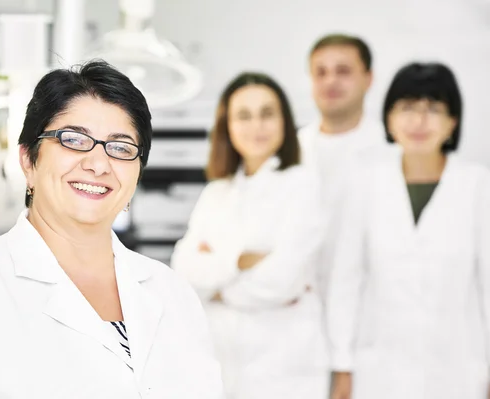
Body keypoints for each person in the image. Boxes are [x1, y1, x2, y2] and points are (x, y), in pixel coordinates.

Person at [0, 60, 225, 399]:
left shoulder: (171, 292)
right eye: (74, 140)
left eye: (121, 147)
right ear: (27, 160)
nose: (97, 164)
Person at [327, 62, 490, 399]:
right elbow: (346, 279)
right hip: (379, 368)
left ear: (453, 122)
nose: (419, 121)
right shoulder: (365, 181)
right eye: (407, 108)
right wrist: (342, 364)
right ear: (388, 119)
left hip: (459, 366)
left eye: (433, 108)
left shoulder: (478, 185)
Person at [170, 72, 330, 399]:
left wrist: (216, 285)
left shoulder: (304, 185)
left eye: (267, 114)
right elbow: (183, 271)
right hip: (221, 362)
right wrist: (241, 261)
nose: (257, 126)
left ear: (284, 121)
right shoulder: (217, 192)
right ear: (227, 125)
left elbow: (279, 283)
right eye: (244, 116)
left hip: (285, 365)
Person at [298, 33, 389, 300]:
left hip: (368, 304)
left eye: (343, 71)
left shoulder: (391, 152)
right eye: (320, 72)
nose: (330, 81)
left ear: (368, 79)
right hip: (299, 306)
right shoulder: (290, 150)